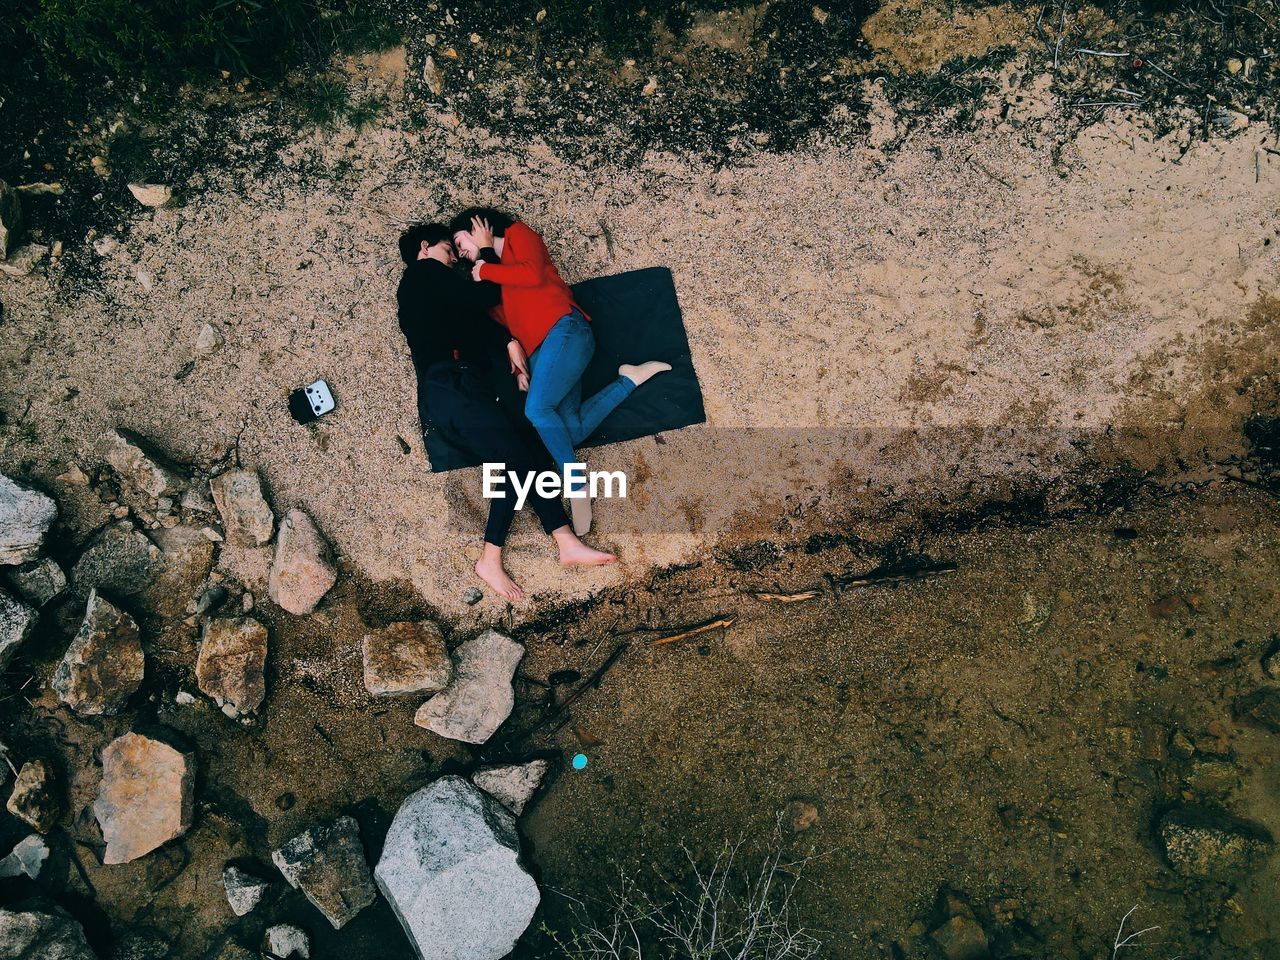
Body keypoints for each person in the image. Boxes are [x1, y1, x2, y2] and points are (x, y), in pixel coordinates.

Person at [396, 222, 616, 602]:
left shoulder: (438, 292)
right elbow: (483, 297)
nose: (452, 259)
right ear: (424, 247)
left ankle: (565, 541)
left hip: (467, 386)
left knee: (526, 453)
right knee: (514, 456)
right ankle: (490, 557)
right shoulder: (421, 274)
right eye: (448, 250)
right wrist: (482, 256)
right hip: (447, 387)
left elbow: (479, 323)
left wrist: (510, 343)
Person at [449, 208, 671, 536]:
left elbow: (532, 275)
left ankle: (576, 486)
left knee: (537, 409)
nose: (459, 252)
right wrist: (516, 361)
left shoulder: (518, 236)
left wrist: (486, 264)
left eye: (459, 241)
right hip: (541, 355)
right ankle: (629, 380)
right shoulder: (487, 275)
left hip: (565, 330)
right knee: (570, 431)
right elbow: (497, 322)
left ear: (477, 225)